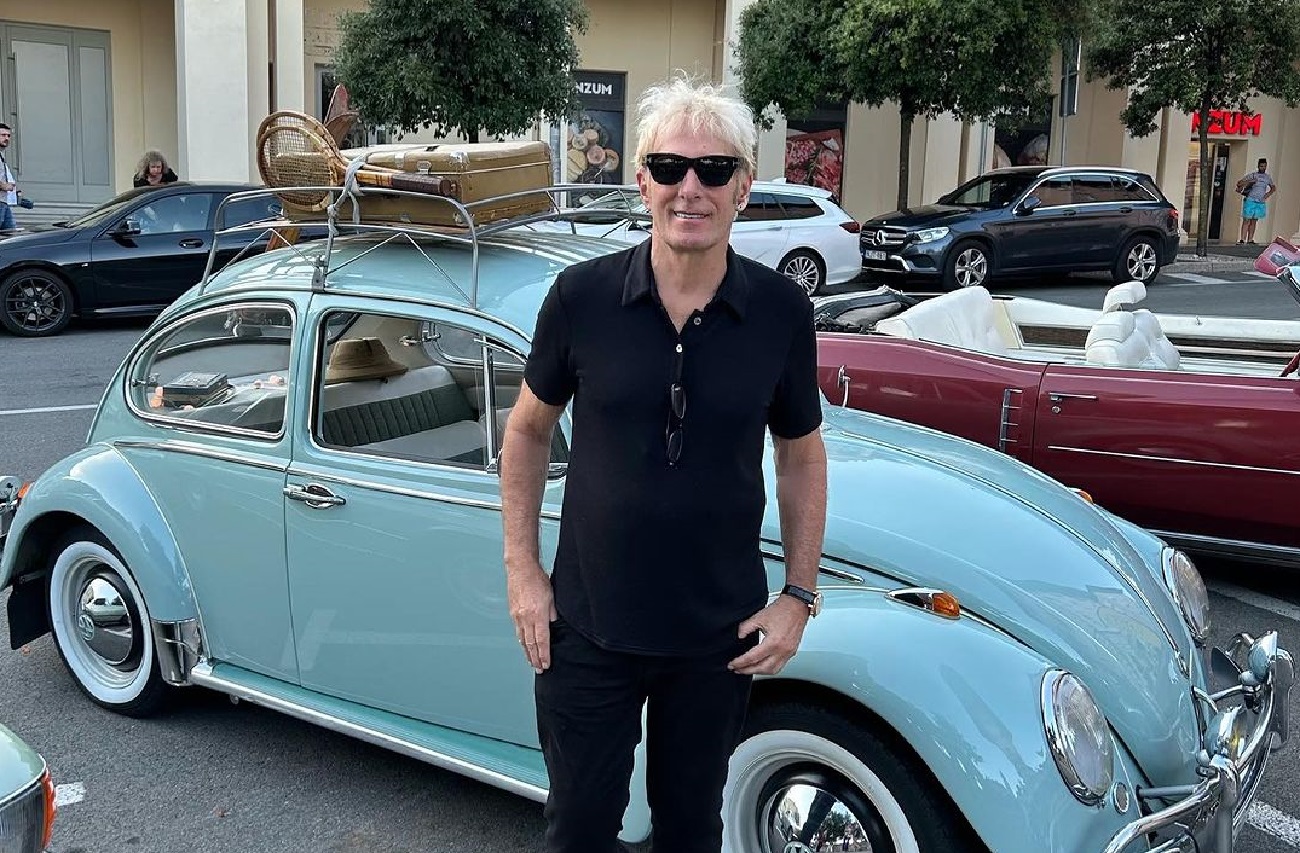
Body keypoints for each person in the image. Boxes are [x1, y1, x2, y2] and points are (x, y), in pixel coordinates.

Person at [500, 75, 828, 853]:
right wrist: (523, 570)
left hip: (718, 637)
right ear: (642, 180)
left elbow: (800, 454)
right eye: (671, 167)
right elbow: (527, 432)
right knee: (579, 831)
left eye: (713, 170)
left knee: (690, 832)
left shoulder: (781, 313)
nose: (691, 188)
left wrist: (798, 594)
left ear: (743, 187)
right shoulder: (580, 298)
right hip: (586, 628)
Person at [1237, 157, 1276, 245]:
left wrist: (1267, 195)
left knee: (1254, 220)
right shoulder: (1253, 175)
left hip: (1260, 202)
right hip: (1250, 199)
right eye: (1261, 166)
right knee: (1247, 219)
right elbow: (1239, 183)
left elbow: (1273, 187)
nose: (1263, 168)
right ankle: (1242, 239)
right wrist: (1251, 181)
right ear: (1258, 166)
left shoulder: (1267, 177)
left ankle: (1250, 239)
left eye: (1264, 166)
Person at [0, 123, 18, 231]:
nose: (6, 138)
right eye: (3, 135)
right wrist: (4, 186)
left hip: (4, 202)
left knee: (10, 234)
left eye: (8, 136)